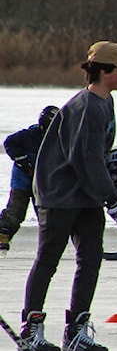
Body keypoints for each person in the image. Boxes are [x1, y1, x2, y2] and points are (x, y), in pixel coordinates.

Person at [15, 41, 117, 351]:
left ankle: (75, 332)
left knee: (90, 258)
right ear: (103, 72)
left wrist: (116, 163)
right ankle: (31, 330)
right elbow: (83, 159)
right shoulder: (87, 104)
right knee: (49, 258)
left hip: (86, 195)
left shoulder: (106, 102)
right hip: (59, 195)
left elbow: (97, 153)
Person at [0, 105, 60, 255]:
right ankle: (2, 238)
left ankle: (48, 247)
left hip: (43, 184)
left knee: (47, 216)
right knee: (15, 213)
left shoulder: (60, 140)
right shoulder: (28, 135)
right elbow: (9, 143)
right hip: (22, 182)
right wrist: (23, 161)